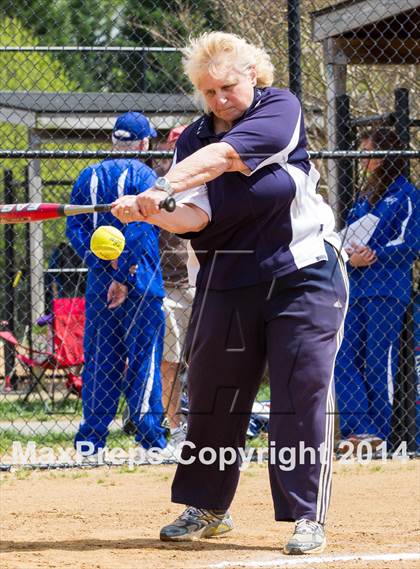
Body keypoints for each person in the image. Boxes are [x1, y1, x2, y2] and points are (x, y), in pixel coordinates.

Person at [111, 32, 348, 555]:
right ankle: (209, 507)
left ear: (253, 77)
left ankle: (306, 515)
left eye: (229, 86)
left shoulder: (278, 108)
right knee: (215, 393)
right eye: (210, 91)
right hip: (228, 278)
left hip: (303, 272)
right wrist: (154, 210)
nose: (220, 99)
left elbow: (224, 158)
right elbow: (197, 216)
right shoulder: (191, 139)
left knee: (299, 388)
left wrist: (159, 188)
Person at [66, 111, 168, 458]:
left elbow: (75, 230)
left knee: (100, 359)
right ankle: (151, 441)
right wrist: (124, 276)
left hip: (99, 283)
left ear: (114, 140)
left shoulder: (88, 175)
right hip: (141, 282)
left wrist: (104, 265)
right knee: (144, 359)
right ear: (142, 143)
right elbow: (141, 229)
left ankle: (90, 441)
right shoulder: (145, 175)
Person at [335, 128, 419, 450]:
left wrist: (375, 255)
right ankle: (359, 430)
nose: (365, 159)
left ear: (387, 155)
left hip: (387, 289)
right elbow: (348, 236)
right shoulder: (363, 197)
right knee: (344, 357)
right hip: (355, 288)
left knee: (377, 360)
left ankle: (382, 432)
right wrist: (349, 257)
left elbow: (410, 243)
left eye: (370, 152)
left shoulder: (407, 194)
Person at [153, 126, 195, 448]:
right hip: (171, 284)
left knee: (211, 362)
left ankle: (205, 427)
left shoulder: (214, 175)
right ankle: (177, 428)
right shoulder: (158, 181)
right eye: (175, 144)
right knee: (170, 361)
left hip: (208, 282)